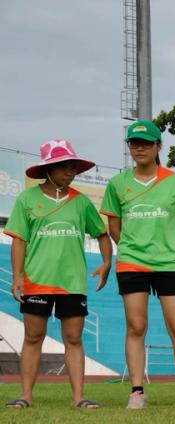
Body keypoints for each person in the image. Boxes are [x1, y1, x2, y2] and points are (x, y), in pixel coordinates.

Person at [100, 121, 175, 409]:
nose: (140, 148)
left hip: (169, 263)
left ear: (159, 146)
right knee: (136, 326)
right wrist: (132, 248)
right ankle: (136, 392)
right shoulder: (117, 184)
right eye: (134, 143)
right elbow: (114, 226)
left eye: (146, 143)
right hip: (132, 264)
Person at [4, 139, 112, 409]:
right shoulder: (27, 199)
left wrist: (106, 262)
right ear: (48, 169)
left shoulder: (81, 202)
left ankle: (79, 398)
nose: (70, 171)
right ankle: (25, 396)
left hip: (72, 282)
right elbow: (19, 240)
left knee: (73, 338)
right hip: (36, 281)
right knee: (33, 337)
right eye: (63, 166)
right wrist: (17, 276)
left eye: (73, 166)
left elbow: (102, 233)